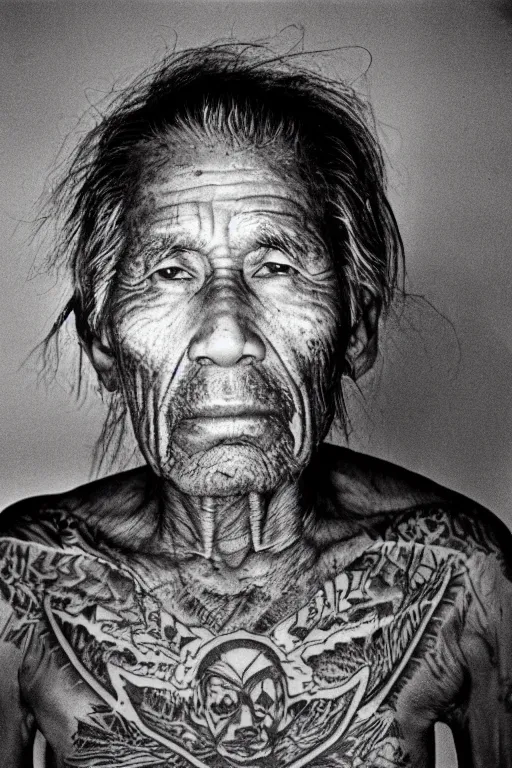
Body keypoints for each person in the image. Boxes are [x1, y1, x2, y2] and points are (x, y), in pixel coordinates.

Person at [0, 43, 510, 768]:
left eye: (275, 267)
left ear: (356, 329)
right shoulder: (22, 583)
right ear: (102, 343)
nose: (227, 335)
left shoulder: (462, 576)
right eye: (171, 271)